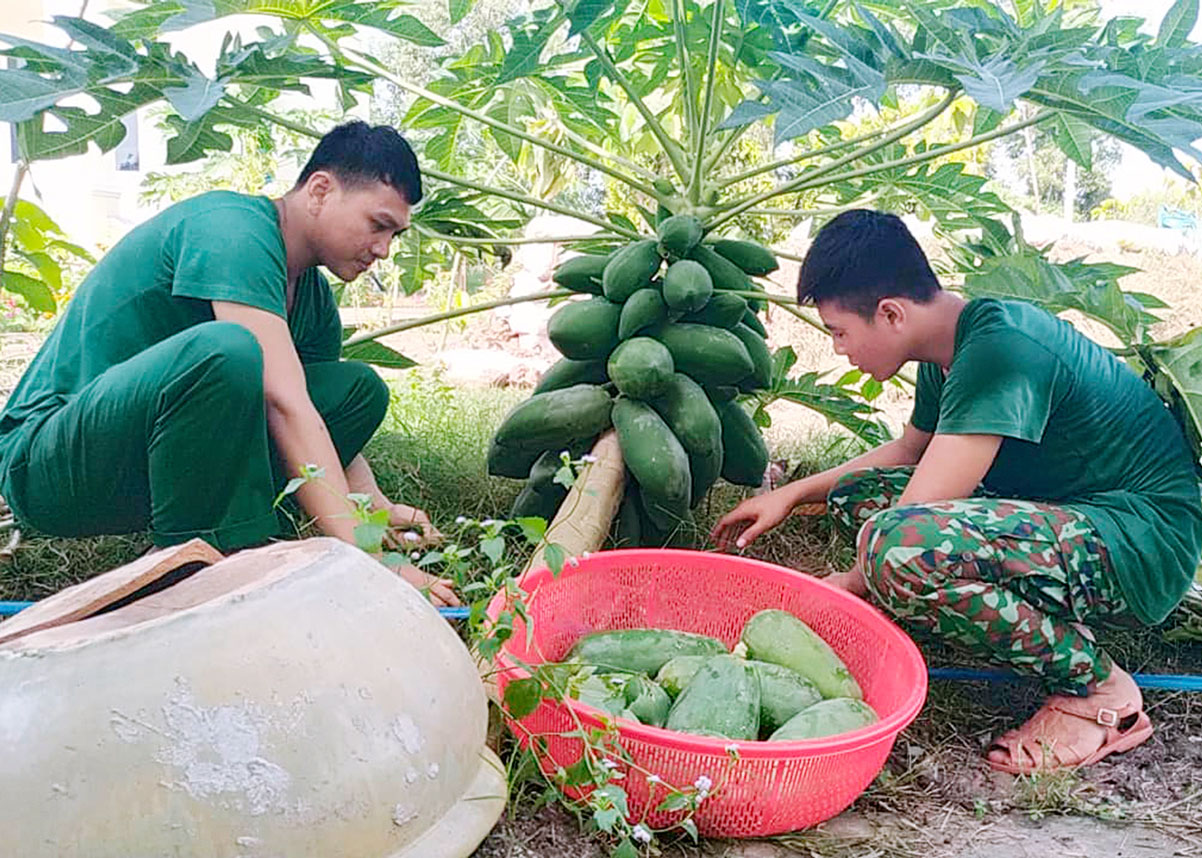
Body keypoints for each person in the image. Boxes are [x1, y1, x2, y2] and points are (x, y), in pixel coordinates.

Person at [712, 210, 1202, 772]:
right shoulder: (950, 349)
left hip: (1139, 542)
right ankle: (1039, 615)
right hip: (1075, 515)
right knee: (859, 498)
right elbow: (909, 454)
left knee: (898, 547)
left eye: (841, 333)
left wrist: (848, 584)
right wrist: (793, 494)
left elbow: (916, 514)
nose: (841, 350)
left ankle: (1100, 690)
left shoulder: (1001, 348)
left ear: (890, 313)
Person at [0, 121, 458, 607]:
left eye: (395, 234)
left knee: (356, 388)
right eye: (378, 224)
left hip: (148, 462)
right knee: (228, 351)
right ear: (321, 190)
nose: (383, 249)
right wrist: (373, 559)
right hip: (49, 465)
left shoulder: (311, 295)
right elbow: (283, 404)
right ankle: (210, 564)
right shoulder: (233, 230)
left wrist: (374, 511)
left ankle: (229, 540)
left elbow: (311, 418)